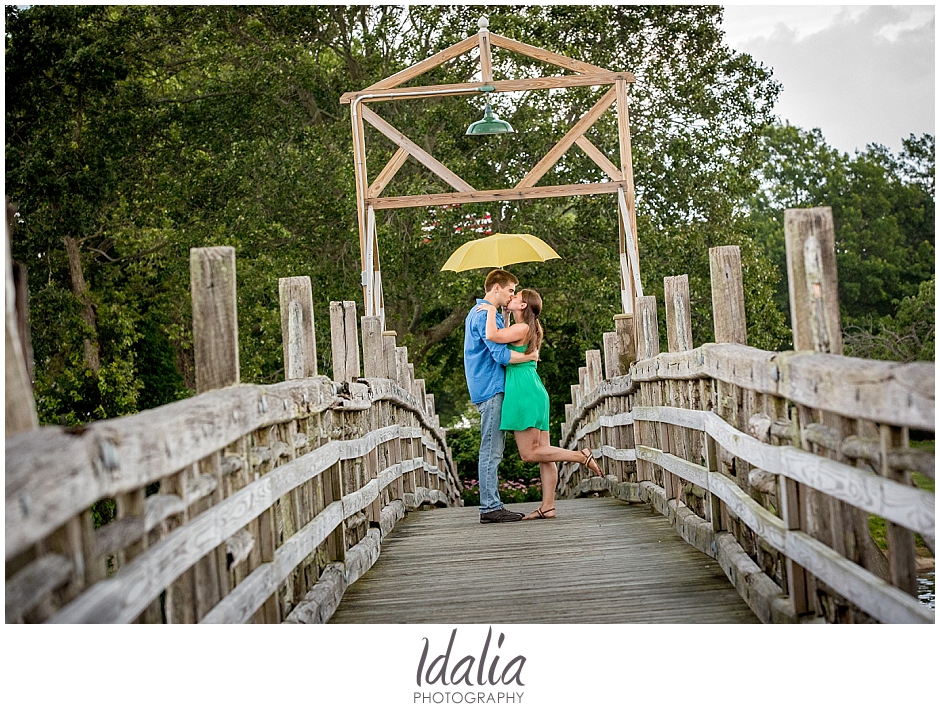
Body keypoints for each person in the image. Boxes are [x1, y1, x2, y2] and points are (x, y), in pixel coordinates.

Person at [476, 288, 603, 520]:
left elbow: (493, 336)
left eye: (516, 297)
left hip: (523, 391)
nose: (511, 298)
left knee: (529, 453)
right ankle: (548, 506)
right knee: (546, 453)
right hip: (535, 388)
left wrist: (490, 309)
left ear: (523, 306)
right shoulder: (532, 328)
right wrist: (503, 314)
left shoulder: (521, 328)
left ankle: (580, 456)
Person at [464, 269, 540, 523]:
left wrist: (504, 317)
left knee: (494, 447)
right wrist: (529, 357)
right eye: (510, 290)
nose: (511, 296)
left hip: (485, 385)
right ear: (496, 287)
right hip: (491, 386)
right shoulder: (484, 314)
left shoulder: (483, 313)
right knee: (492, 449)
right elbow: (501, 355)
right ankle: (490, 507)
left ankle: (491, 504)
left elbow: (498, 342)